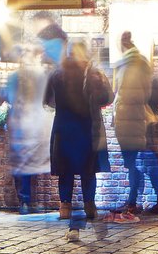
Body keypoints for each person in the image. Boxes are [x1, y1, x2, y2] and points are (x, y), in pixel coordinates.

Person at [46, 43, 113, 230]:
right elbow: (108, 98)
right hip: (87, 126)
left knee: (65, 170)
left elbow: (47, 100)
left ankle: (65, 207)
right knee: (88, 169)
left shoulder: (57, 74)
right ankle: (89, 206)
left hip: (64, 126)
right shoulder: (94, 74)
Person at [111, 31, 158, 216]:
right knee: (144, 161)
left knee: (138, 162)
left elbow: (120, 93)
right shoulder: (142, 63)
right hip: (141, 118)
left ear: (122, 46)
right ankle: (143, 200)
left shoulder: (124, 65)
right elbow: (145, 93)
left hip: (130, 119)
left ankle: (138, 201)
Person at [6, 43, 54, 213]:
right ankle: (31, 201)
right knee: (32, 164)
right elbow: (49, 100)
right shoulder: (42, 74)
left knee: (22, 164)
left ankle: (25, 201)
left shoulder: (14, 77)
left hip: (21, 123)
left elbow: (10, 97)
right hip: (37, 124)